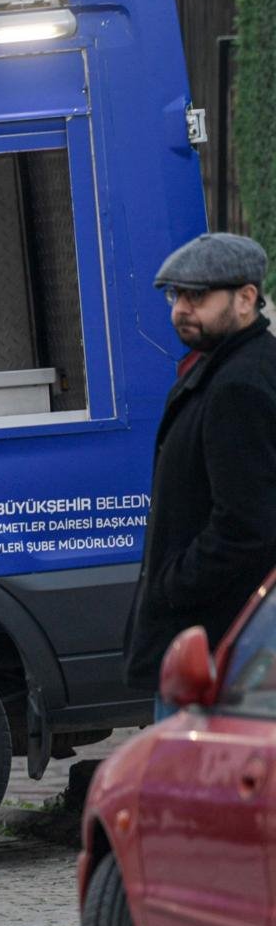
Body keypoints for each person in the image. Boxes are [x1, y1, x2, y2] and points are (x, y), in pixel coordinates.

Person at [124, 232, 276, 721]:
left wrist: (173, 585)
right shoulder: (221, 368)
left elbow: (247, 524)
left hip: (216, 648)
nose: (181, 309)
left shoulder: (240, 384)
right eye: (175, 295)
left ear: (246, 298)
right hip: (212, 644)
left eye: (197, 296)